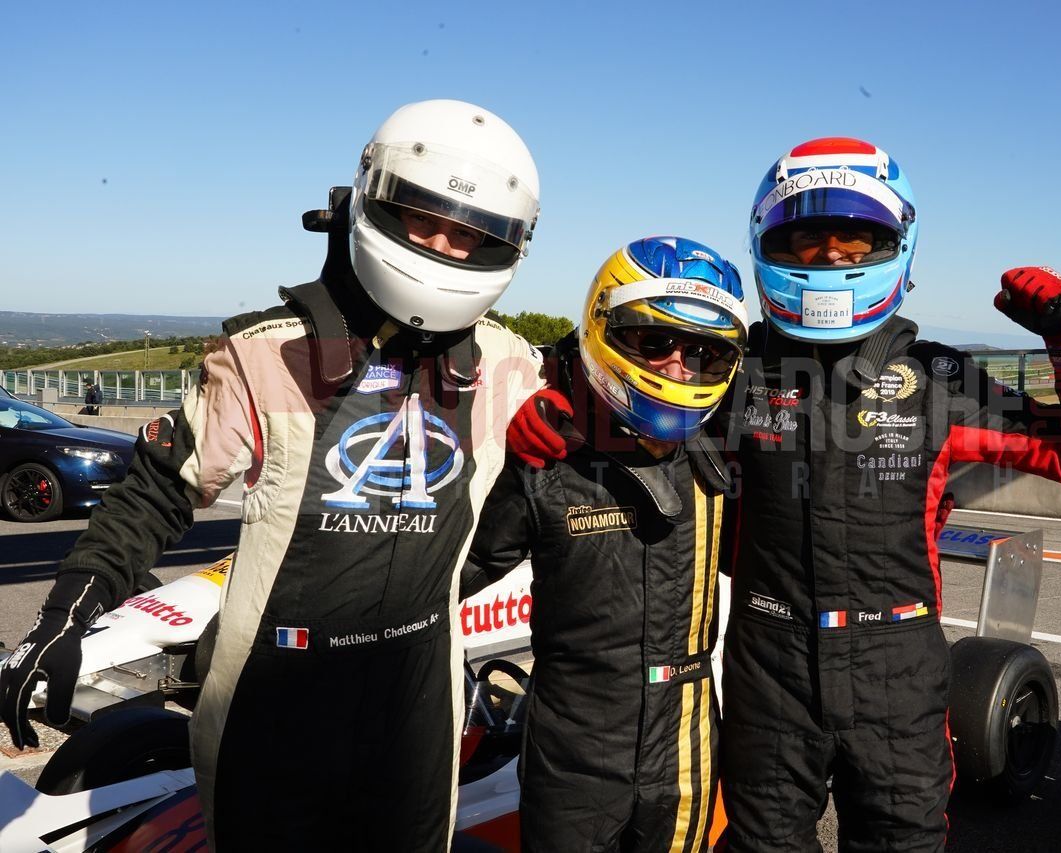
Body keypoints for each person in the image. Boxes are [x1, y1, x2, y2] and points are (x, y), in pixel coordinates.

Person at [0, 99, 547, 852]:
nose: (444, 245)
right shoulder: (265, 354)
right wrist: (66, 613)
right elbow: (157, 493)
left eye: (471, 233)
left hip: (418, 707)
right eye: (421, 218)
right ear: (371, 202)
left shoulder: (511, 365)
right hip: (271, 701)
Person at [712, 138, 1061, 852]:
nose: (830, 257)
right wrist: (565, 392)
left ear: (895, 245)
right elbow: (625, 406)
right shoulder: (730, 371)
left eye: (853, 240)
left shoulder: (940, 380)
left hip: (898, 670)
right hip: (768, 669)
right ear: (768, 245)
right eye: (809, 239)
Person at [464, 237, 747, 852]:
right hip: (574, 740)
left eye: (703, 353)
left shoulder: (726, 456)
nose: (676, 367)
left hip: (688, 737)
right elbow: (459, 570)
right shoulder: (547, 452)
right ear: (605, 331)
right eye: (655, 342)